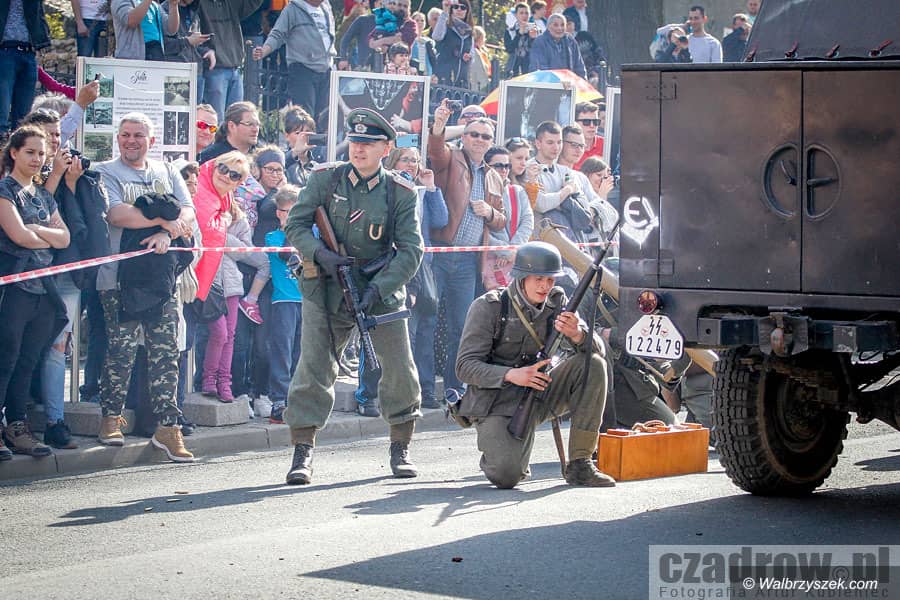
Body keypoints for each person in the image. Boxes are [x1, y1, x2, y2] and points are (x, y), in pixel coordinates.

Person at [281, 108, 424, 485]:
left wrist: (379, 288)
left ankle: (400, 446)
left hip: (380, 288)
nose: (358, 149)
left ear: (386, 149)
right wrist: (319, 253)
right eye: (355, 141)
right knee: (314, 368)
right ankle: (302, 449)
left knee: (398, 368)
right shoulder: (325, 179)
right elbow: (295, 224)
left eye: (368, 143)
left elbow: (411, 250)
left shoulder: (400, 192)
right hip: (326, 287)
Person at [454, 241, 615, 489]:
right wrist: (511, 374)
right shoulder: (489, 307)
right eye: (538, 279)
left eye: (550, 279)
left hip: (540, 391)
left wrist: (578, 335)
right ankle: (502, 449)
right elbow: (465, 366)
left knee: (593, 364)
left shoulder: (558, 303)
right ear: (521, 277)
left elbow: (599, 351)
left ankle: (580, 463)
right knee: (506, 476)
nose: (545, 286)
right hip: (497, 401)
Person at [94, 112, 196, 462]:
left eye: (138, 135)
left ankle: (168, 427)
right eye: (125, 134)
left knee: (165, 353)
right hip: (118, 279)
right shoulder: (107, 172)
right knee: (120, 352)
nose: (131, 141)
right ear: (118, 138)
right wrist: (168, 220)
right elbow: (116, 214)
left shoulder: (166, 171)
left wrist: (167, 232)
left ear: (151, 141)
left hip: (161, 280)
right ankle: (111, 418)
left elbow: (189, 213)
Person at [427, 100, 506, 403]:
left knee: (461, 328)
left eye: (486, 137)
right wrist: (439, 124)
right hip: (439, 253)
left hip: (468, 261)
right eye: (474, 134)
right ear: (464, 136)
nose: (479, 140)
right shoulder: (452, 158)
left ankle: (454, 388)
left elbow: (502, 221)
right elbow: (435, 150)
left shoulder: (494, 176)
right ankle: (423, 389)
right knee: (427, 320)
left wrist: (489, 212)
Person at [0, 125, 70, 459]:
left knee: (28, 361)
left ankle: (17, 427)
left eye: (41, 154)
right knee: (6, 358)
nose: (37, 159)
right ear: (14, 152)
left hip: (43, 290)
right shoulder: (5, 191)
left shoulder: (43, 195)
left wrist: (37, 229)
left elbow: (65, 238)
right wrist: (44, 235)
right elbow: (19, 236)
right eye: (30, 152)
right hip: (14, 289)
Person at [196, 152, 269, 402]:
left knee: (229, 335)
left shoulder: (236, 213)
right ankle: (208, 379)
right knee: (218, 333)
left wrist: (222, 237)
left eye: (235, 175)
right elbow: (202, 235)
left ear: (240, 182)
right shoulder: (202, 199)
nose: (227, 176)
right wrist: (222, 235)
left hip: (230, 282)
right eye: (223, 169)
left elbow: (245, 251)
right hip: (207, 279)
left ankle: (223, 383)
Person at [384, 146, 446, 409]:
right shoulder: (387, 187)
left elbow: (441, 220)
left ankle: (426, 391)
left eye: (416, 160)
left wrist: (430, 187)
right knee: (404, 336)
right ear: (393, 162)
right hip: (398, 270)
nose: (411, 164)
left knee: (425, 334)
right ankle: (402, 394)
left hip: (424, 271)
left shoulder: (420, 191)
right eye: (406, 159)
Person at [252, 0, 336, 127]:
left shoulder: (326, 7)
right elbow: (278, 34)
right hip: (302, 69)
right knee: (305, 119)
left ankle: (320, 141)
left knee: (324, 119)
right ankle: (304, 140)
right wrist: (264, 50)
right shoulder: (292, 9)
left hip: (326, 69)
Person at [265, 185, 303, 424]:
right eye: (289, 211)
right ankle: (279, 400)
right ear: (279, 213)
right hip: (284, 301)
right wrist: (292, 227)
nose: (295, 215)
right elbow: (285, 254)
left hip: (307, 302)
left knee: (302, 353)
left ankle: (297, 399)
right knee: (283, 351)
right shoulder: (273, 237)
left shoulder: (310, 235)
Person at [196, 0, 264, 121]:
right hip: (214, 69)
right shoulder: (197, 4)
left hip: (235, 69)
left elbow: (253, 2)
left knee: (236, 122)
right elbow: (188, 32)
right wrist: (204, 50)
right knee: (216, 121)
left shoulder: (231, 3)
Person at [482, 146, 534, 291]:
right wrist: (504, 251)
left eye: (507, 166)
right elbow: (480, 229)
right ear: (486, 166)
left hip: (514, 260)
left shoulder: (517, 190)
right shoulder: (480, 190)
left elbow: (528, 221)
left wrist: (513, 250)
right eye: (498, 166)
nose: (504, 170)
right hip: (487, 262)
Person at [0, 0, 50, 139]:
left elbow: (39, 14)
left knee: (23, 115)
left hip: (29, 52)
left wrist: (43, 40)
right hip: (5, 51)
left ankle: (20, 142)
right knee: (2, 109)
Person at [111, 0, 180, 60]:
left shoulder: (154, 5)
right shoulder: (119, 1)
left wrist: (173, 5)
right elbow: (131, 20)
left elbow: (171, 30)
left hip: (157, 51)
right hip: (132, 57)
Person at [431, 0, 474, 88]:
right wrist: (445, 12)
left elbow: (472, 54)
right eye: (456, 7)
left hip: (462, 79)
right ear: (452, 9)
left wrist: (469, 56)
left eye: (463, 7)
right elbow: (436, 36)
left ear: (467, 11)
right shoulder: (446, 25)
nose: (459, 9)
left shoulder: (470, 32)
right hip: (444, 76)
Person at [529, 13, 586, 77]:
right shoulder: (540, 42)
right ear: (548, 27)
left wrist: (582, 81)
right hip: (548, 81)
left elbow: (579, 66)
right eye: (555, 25)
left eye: (562, 25)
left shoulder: (570, 41)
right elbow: (539, 68)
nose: (559, 28)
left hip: (569, 81)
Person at [282, 106, 319, 188]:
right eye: (298, 133)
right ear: (287, 136)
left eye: (307, 132)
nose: (303, 136)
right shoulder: (281, 159)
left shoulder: (317, 167)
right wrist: (295, 152)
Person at [504, 2, 538, 78]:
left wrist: (533, 38)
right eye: (521, 13)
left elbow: (537, 50)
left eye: (526, 13)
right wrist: (519, 34)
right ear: (516, 15)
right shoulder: (510, 31)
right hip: (513, 67)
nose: (524, 16)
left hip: (529, 67)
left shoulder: (535, 30)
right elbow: (509, 49)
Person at [572, 101, 604, 169]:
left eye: (595, 122)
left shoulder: (606, 144)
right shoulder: (568, 147)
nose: (592, 126)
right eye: (586, 122)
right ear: (575, 123)